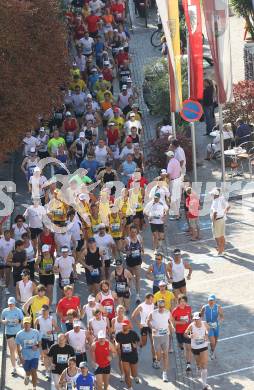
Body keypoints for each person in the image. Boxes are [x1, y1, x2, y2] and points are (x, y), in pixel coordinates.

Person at [148, 299, 174, 382]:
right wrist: (152, 328)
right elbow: (147, 321)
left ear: (164, 306)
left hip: (165, 335)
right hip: (156, 336)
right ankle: (157, 361)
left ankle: (164, 373)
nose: (161, 308)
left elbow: (170, 320)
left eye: (163, 306)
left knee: (165, 354)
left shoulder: (167, 312)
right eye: (160, 307)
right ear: (157, 306)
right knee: (158, 355)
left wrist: (172, 326)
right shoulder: (153, 313)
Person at [184, 312, 211, 390]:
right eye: (195, 319)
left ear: (201, 318)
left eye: (198, 319)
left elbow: (208, 329)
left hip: (204, 346)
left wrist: (206, 334)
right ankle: (198, 367)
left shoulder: (204, 324)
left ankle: (204, 385)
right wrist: (191, 335)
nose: (197, 321)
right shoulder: (191, 325)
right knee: (199, 363)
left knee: (204, 364)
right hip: (195, 348)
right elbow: (185, 333)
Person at [16, 316, 41, 390]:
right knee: (28, 371)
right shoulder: (19, 334)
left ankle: (34, 388)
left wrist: (36, 346)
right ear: (23, 324)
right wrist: (20, 358)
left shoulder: (36, 332)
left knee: (34, 371)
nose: (27, 325)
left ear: (30, 324)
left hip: (35, 355)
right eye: (25, 324)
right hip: (25, 357)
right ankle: (27, 376)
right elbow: (18, 347)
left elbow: (40, 343)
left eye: (28, 323)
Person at [1, 297, 24, 376]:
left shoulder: (18, 311)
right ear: (8, 304)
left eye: (12, 304)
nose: (11, 305)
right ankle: (14, 368)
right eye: (9, 304)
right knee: (11, 350)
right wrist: (4, 321)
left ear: (15, 304)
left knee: (18, 349)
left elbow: (23, 320)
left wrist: (18, 321)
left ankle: (18, 357)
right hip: (9, 332)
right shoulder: (5, 311)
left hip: (18, 332)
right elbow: (1, 320)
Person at [34, 304, 58, 379]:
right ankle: (47, 371)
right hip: (43, 338)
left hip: (50, 338)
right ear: (41, 311)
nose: (44, 312)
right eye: (43, 311)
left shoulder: (51, 319)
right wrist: (38, 335)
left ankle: (51, 365)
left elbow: (57, 329)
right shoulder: (38, 319)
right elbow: (34, 328)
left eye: (45, 311)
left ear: (48, 311)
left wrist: (51, 332)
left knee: (50, 354)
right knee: (45, 354)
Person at [131, 293, 156, 366]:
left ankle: (154, 359)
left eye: (152, 299)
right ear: (146, 299)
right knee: (144, 343)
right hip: (144, 327)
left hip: (151, 326)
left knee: (153, 343)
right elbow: (133, 316)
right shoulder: (141, 306)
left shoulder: (152, 305)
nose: (152, 301)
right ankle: (139, 346)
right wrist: (139, 324)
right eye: (150, 299)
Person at [115, 319, 140, 389]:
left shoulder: (133, 333)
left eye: (125, 325)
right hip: (124, 356)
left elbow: (138, 341)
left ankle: (135, 376)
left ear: (129, 325)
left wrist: (136, 345)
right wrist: (117, 344)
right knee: (127, 373)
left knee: (134, 373)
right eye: (123, 325)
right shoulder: (119, 335)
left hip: (133, 355)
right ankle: (129, 387)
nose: (124, 327)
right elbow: (116, 341)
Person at [123, 224, 143, 304]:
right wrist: (126, 252)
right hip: (130, 261)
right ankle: (130, 289)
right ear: (129, 232)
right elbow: (122, 249)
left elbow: (141, 246)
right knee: (130, 278)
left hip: (138, 261)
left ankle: (137, 295)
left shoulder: (139, 237)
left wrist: (142, 251)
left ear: (137, 232)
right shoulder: (127, 240)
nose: (133, 234)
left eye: (135, 232)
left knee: (138, 278)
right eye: (132, 232)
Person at [172, 295, 192, 372]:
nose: (182, 303)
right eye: (181, 302)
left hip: (188, 330)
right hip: (179, 331)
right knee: (180, 344)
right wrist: (181, 322)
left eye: (184, 301)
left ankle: (188, 364)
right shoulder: (175, 310)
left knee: (188, 348)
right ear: (178, 302)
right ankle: (181, 347)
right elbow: (172, 321)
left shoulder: (189, 308)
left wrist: (191, 321)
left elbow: (190, 316)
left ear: (186, 302)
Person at [200, 294, 224, 360]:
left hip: (216, 326)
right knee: (212, 341)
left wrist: (218, 323)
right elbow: (200, 316)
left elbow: (222, 317)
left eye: (212, 300)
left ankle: (212, 350)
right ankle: (212, 352)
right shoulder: (204, 307)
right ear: (208, 301)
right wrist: (202, 324)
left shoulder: (218, 307)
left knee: (215, 340)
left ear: (214, 301)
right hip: (208, 326)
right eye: (209, 300)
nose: (211, 302)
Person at [210, 188, 230, 256]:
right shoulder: (221, 198)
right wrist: (224, 213)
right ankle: (222, 250)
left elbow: (215, 212)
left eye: (212, 194)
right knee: (222, 236)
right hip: (222, 219)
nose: (211, 195)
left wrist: (213, 220)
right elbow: (228, 206)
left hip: (217, 220)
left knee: (218, 237)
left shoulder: (215, 201)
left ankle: (220, 252)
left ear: (215, 195)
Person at [166, 150, 182, 220]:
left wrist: (168, 183)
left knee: (173, 199)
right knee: (178, 198)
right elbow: (180, 171)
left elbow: (169, 174)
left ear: (169, 156)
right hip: (178, 180)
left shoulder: (170, 163)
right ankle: (178, 213)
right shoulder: (177, 161)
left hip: (173, 181)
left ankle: (177, 215)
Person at [0, 229, 15, 293]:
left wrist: (12, 257)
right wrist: (1, 257)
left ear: (10, 235)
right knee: (2, 272)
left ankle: (6, 288)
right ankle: (2, 278)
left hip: (9, 260)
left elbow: (14, 250)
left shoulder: (13, 241)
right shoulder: (0, 241)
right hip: (1, 259)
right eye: (6, 235)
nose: (7, 236)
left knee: (8, 273)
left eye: (9, 235)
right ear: (4, 235)